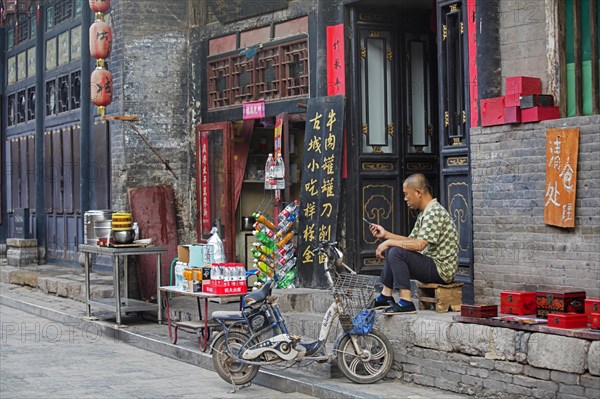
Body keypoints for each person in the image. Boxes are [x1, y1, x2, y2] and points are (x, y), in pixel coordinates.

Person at [368, 173, 458, 315]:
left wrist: (390, 242)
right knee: (394, 248)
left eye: (406, 194)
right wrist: (386, 235)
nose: (405, 199)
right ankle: (386, 296)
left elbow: (420, 245)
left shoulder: (434, 212)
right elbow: (410, 241)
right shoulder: (424, 213)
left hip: (441, 270)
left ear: (418, 192)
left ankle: (406, 302)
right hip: (431, 264)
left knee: (396, 251)